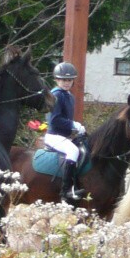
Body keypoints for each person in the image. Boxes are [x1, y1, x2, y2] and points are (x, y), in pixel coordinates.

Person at [43, 62, 86, 202]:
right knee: (73, 151)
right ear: (56, 80)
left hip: (64, 136)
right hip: (54, 136)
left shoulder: (69, 96)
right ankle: (65, 191)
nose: (66, 83)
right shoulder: (56, 95)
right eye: (63, 80)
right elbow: (55, 120)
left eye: (69, 80)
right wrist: (74, 124)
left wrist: (77, 129)